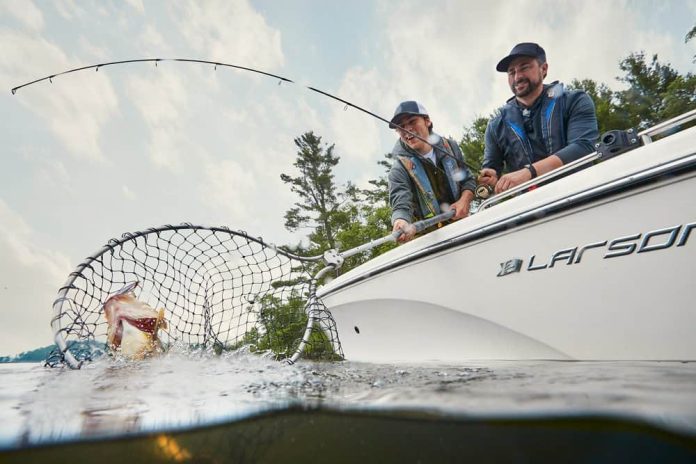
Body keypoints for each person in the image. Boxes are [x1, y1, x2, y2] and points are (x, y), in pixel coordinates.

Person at [479, 42, 599, 194]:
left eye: (524, 67)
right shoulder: (495, 126)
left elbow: (583, 147)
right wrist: (491, 178)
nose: (518, 77)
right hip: (533, 210)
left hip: (581, 195)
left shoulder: (575, 100)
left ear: (544, 69)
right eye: (511, 72)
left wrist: (529, 172)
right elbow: (491, 169)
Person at [388, 101, 476, 243]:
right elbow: (400, 201)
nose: (407, 130)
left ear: (427, 121)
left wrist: (464, 201)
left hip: (463, 228)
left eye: (412, 121)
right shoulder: (398, 169)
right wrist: (401, 220)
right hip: (428, 242)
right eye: (401, 127)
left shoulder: (451, 147)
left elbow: (468, 181)